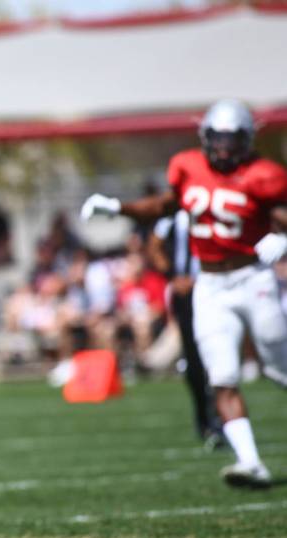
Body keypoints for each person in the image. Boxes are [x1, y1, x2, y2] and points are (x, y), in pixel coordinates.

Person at [80, 99, 287, 488]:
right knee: (221, 376)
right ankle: (251, 462)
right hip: (210, 285)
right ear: (205, 138)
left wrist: (283, 238)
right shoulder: (188, 168)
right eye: (218, 140)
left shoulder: (264, 175)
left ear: (248, 140)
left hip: (253, 279)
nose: (224, 149)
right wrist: (118, 207)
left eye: (233, 140)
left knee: (278, 368)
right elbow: (163, 206)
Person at [147, 209, 224, 449]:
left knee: (219, 357)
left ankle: (222, 418)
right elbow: (155, 246)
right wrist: (173, 276)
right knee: (193, 359)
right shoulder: (171, 216)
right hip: (186, 295)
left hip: (215, 288)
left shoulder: (213, 207)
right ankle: (205, 419)